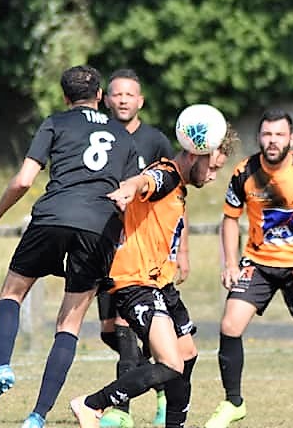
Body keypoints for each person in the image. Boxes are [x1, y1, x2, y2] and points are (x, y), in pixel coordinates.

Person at [0, 65, 139, 428]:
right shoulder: (123, 136)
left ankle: (0, 368)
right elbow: (128, 194)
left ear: (65, 97)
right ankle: (37, 415)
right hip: (98, 227)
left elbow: (25, 179)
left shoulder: (56, 123)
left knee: (12, 294)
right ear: (100, 96)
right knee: (70, 322)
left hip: (52, 216)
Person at [68, 118, 239, 428]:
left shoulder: (179, 185)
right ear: (194, 155)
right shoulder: (167, 176)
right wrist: (128, 189)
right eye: (212, 167)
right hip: (135, 282)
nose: (214, 176)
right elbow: (144, 181)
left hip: (161, 283)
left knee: (186, 355)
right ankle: (91, 404)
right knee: (170, 363)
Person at [204, 109, 293, 428]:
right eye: (267, 134)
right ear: (259, 138)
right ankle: (233, 403)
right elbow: (230, 218)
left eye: (279, 135)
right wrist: (229, 262)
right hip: (258, 263)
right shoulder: (244, 171)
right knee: (230, 324)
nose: (272, 141)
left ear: (291, 139)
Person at [98, 68, 175, 428]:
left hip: (142, 256)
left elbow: (176, 201)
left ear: (140, 101)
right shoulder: (99, 138)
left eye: (130, 94)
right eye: (117, 94)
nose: (123, 100)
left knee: (127, 331)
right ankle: (159, 378)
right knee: (109, 331)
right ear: (106, 99)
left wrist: (181, 253)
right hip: (104, 248)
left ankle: (119, 412)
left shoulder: (156, 142)